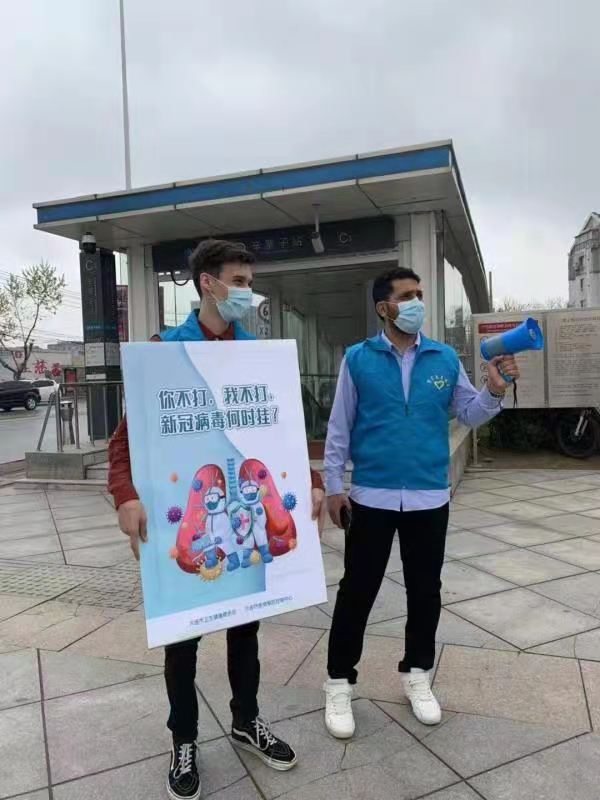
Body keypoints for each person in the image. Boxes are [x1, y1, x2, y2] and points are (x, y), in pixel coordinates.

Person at [108, 239, 327, 800]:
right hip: (192, 518)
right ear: (208, 283)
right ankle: (183, 739)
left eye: (250, 281)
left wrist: (312, 481)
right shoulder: (163, 352)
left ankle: (246, 720)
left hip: (246, 516)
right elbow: (125, 440)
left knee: (246, 627)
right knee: (182, 639)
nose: (248, 292)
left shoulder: (259, 355)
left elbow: (281, 432)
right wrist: (125, 495)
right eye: (240, 281)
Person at [322, 267, 519, 739]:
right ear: (384, 308)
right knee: (358, 590)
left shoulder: (444, 358)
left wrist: (494, 389)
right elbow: (339, 426)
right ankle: (339, 682)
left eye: (419, 295)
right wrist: (333, 485)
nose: (417, 303)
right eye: (407, 296)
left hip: (429, 495)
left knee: (425, 590)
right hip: (371, 495)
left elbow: (467, 412)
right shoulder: (358, 359)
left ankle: (417, 673)